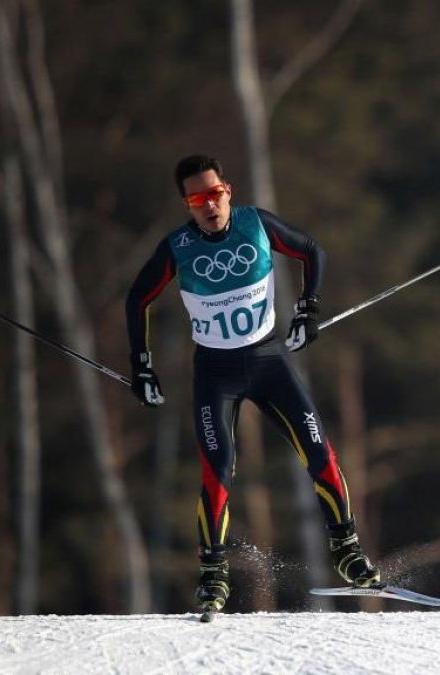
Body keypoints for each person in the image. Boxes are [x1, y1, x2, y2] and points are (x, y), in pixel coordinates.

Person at [125, 154, 380, 614]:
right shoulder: (176, 246)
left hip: (269, 361)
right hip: (216, 373)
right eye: (197, 198)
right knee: (218, 469)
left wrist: (308, 309)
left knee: (319, 450)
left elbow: (311, 251)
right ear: (186, 204)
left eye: (215, 193)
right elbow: (138, 298)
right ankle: (212, 577)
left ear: (229, 190)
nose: (209, 205)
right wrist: (141, 366)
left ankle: (347, 551)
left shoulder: (256, 224)